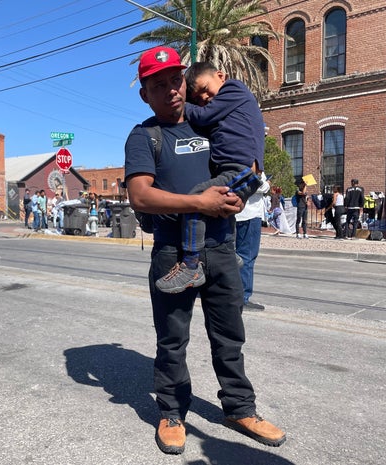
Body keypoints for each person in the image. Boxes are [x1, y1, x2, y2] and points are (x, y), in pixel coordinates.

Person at [124, 46, 285, 455]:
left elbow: (243, 157)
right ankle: (172, 412)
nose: (172, 91)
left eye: (176, 80)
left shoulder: (211, 123)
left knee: (230, 336)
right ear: (145, 94)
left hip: (222, 248)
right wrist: (201, 204)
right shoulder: (145, 136)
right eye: (158, 85)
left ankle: (239, 408)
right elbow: (140, 197)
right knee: (172, 339)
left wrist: (238, 193)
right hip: (173, 253)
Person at [155, 61, 263, 294]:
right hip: (234, 170)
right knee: (220, 203)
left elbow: (205, 116)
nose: (204, 97)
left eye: (205, 88)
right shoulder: (226, 104)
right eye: (197, 96)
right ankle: (229, 254)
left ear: (221, 75)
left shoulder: (233, 89)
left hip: (242, 170)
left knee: (198, 197)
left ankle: (191, 265)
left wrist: (182, 106)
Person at [236, 171, 270, 311]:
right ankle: (242, 296)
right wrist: (267, 184)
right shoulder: (251, 162)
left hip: (235, 213)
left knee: (232, 254)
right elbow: (259, 185)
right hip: (249, 214)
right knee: (247, 256)